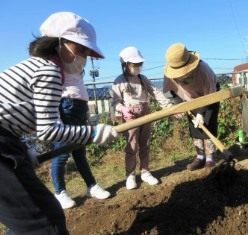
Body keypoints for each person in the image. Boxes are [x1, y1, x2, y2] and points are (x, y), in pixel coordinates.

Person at [0, 11, 119, 234]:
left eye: (87, 52)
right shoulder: (48, 71)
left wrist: (25, 151)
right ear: (59, 42)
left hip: (8, 143)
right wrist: (92, 133)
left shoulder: (35, 66)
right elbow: (48, 130)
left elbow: (10, 117)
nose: (84, 57)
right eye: (80, 48)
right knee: (43, 224)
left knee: (36, 219)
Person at [111, 46, 172, 190]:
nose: (138, 67)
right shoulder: (119, 81)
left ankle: (145, 171)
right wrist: (123, 109)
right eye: (135, 64)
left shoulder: (143, 79)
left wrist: (169, 106)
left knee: (145, 144)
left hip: (146, 112)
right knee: (132, 146)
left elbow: (156, 93)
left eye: (140, 64)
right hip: (130, 117)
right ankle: (130, 175)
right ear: (125, 64)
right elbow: (114, 102)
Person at [51, 70, 111, 210]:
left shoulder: (77, 73)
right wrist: (57, 120)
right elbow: (52, 96)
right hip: (64, 111)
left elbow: (82, 94)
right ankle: (60, 192)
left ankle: (91, 186)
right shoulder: (57, 69)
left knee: (80, 154)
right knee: (61, 157)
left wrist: (87, 116)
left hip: (80, 111)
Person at [163, 43, 220, 171]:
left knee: (207, 124)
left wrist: (201, 113)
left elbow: (209, 95)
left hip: (209, 96)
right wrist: (177, 102)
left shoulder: (203, 70)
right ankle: (200, 156)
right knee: (194, 127)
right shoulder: (169, 74)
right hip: (188, 99)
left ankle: (210, 157)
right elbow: (168, 92)